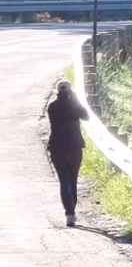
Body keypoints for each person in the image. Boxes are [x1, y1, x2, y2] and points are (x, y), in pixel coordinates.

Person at [46, 80, 89, 227]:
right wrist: (76, 100)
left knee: (64, 182)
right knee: (72, 180)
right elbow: (86, 116)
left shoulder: (52, 106)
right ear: (70, 91)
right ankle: (72, 212)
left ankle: (69, 213)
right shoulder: (73, 106)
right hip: (74, 147)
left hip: (57, 147)